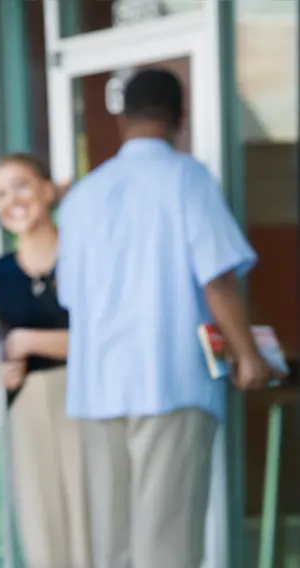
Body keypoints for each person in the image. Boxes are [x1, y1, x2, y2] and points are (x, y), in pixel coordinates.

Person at [57, 68, 277, 568]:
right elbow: (217, 279)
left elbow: (71, 296)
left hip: (97, 389)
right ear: (181, 117)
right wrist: (248, 357)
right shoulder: (186, 177)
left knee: (109, 548)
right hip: (168, 382)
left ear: (122, 121)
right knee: (167, 545)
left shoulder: (83, 196)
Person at [0, 153, 90, 568]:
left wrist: (29, 340)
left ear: (49, 190)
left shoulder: (83, 255)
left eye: (22, 185)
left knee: (92, 523)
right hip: (28, 406)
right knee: (41, 529)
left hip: (86, 398)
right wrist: (6, 367)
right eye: (0, 193)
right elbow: (4, 343)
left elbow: (102, 341)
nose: (12, 200)